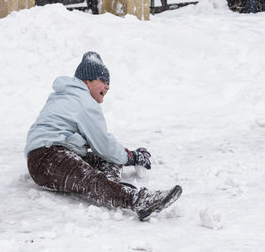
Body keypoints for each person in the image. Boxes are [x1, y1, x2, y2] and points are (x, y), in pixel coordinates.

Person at [25, 52, 182, 221]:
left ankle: (113, 187)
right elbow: (104, 146)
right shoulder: (83, 102)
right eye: (103, 81)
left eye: (109, 83)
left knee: (109, 160)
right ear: (86, 81)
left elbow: (106, 152)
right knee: (91, 179)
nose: (107, 87)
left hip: (48, 156)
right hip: (48, 157)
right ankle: (138, 200)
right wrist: (132, 157)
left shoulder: (67, 96)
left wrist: (124, 156)